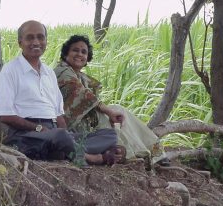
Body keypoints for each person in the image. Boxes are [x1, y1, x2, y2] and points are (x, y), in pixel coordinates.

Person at [0, 20, 121, 165]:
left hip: (53, 132)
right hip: (26, 135)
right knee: (59, 136)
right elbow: (4, 116)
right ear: (20, 42)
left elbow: (59, 116)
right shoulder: (11, 70)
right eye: (30, 37)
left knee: (109, 135)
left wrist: (66, 135)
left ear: (46, 42)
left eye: (40, 37)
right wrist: (38, 128)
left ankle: (65, 150)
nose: (36, 42)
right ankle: (91, 157)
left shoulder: (49, 73)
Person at [54, 35, 170, 166]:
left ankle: (153, 153)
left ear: (87, 58)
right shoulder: (61, 71)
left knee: (118, 112)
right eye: (75, 50)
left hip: (84, 124)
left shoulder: (80, 76)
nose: (79, 54)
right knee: (113, 114)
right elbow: (82, 94)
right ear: (66, 54)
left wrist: (110, 112)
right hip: (68, 128)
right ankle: (146, 155)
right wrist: (108, 112)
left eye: (84, 52)